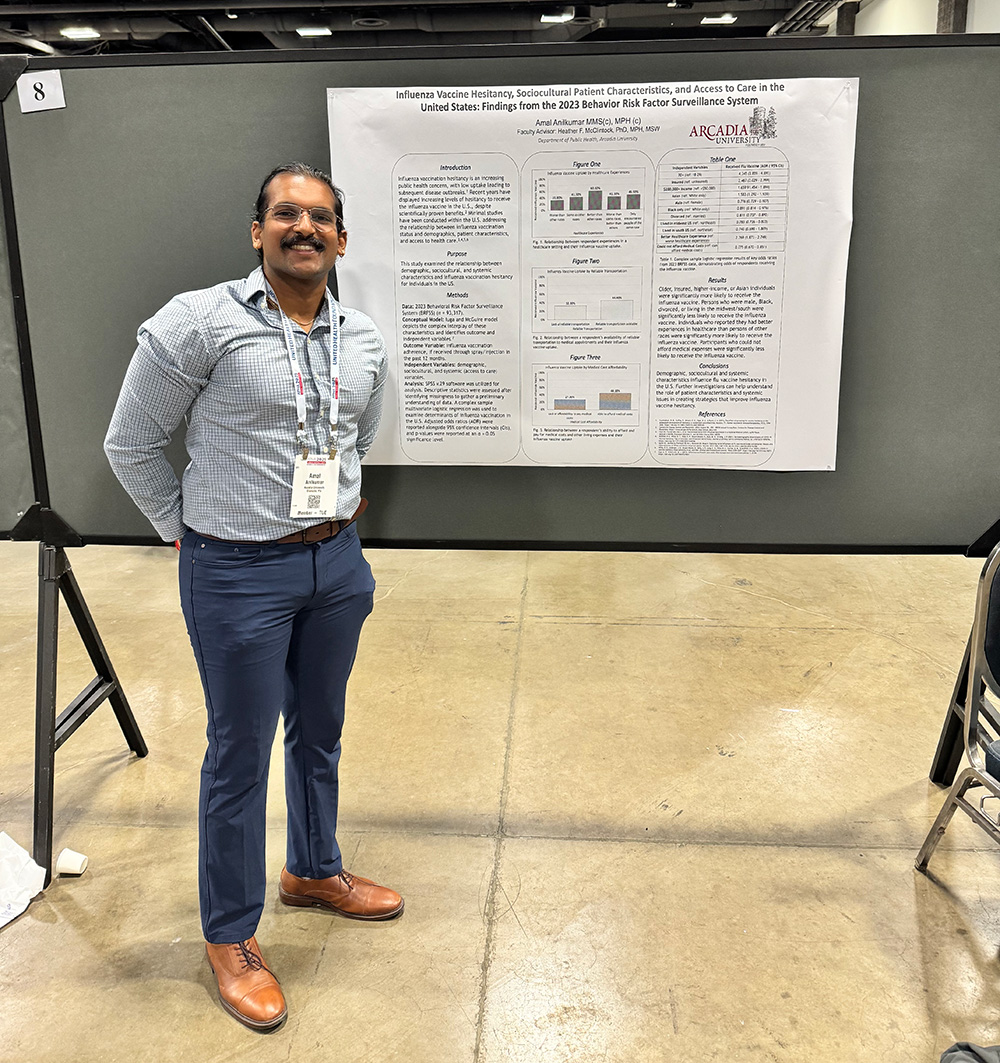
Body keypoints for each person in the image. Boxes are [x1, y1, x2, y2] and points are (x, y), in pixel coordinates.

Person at [104, 162, 401, 1032]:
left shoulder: (362, 337)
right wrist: (182, 530)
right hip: (235, 570)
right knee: (239, 753)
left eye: (321, 218)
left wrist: (340, 498)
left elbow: (358, 432)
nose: (303, 228)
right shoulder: (198, 324)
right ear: (257, 230)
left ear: (341, 239)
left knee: (322, 727)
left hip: (334, 564)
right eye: (286, 214)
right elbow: (130, 444)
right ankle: (230, 933)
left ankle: (314, 867)